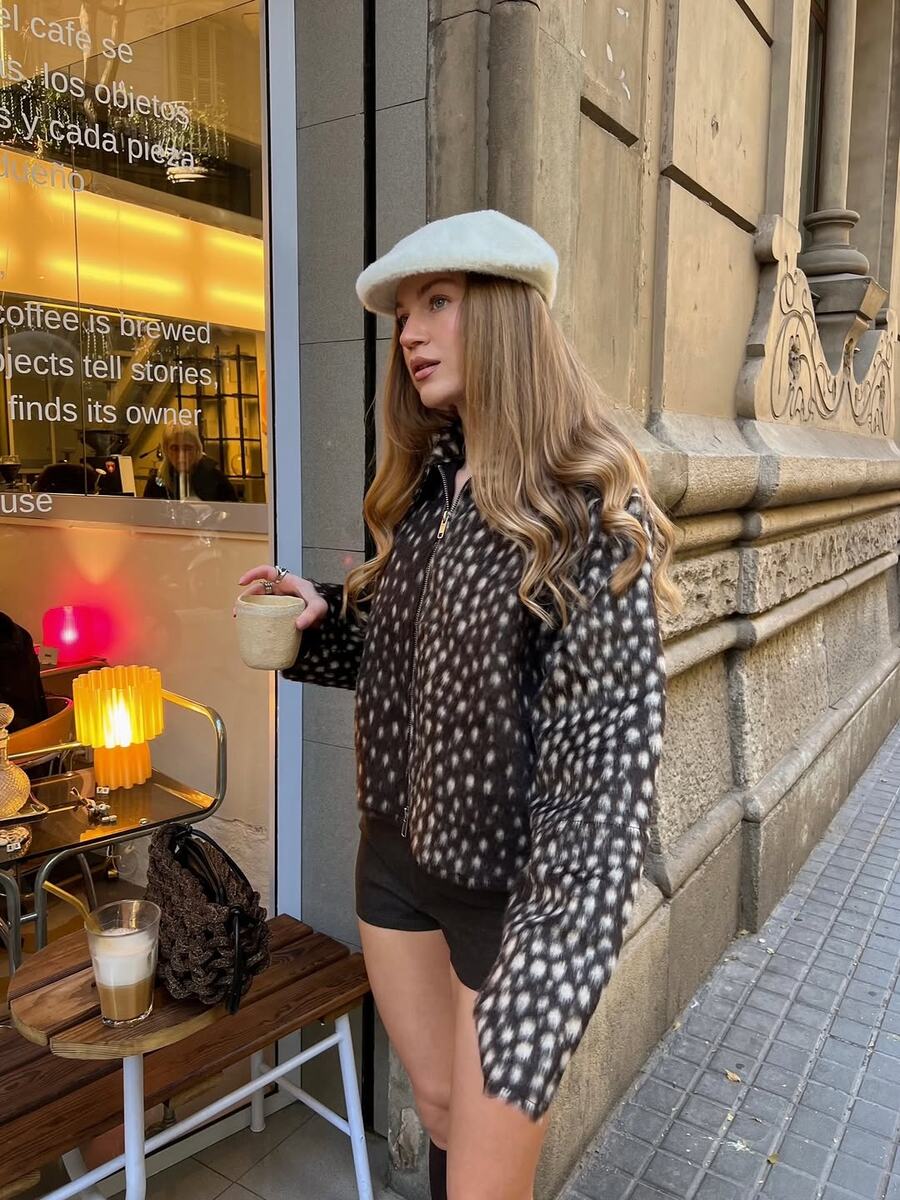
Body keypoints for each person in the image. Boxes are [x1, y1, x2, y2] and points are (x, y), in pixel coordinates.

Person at [238, 210, 681, 1200]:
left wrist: (548, 974)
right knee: (438, 1113)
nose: (409, 332)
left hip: (513, 901)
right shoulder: (431, 488)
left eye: (438, 302)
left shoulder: (589, 510)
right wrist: (322, 621)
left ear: (510, 316)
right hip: (396, 867)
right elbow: (420, 662)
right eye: (404, 312)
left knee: (486, 1182)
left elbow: (607, 780)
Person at [142, 424, 237, 501]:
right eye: (174, 448)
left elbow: (235, 514)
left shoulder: (215, 478)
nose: (181, 455)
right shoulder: (156, 482)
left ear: (197, 449)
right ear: (166, 450)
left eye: (188, 448)